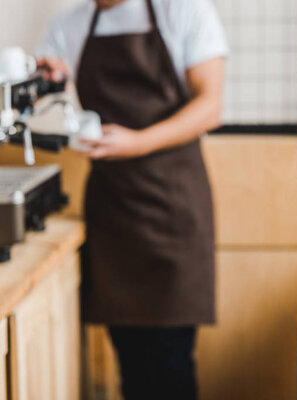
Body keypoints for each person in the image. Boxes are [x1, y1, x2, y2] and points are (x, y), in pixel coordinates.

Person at [36, 0, 228, 398]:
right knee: (132, 363)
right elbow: (40, 110)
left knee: (173, 361)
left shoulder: (184, 11)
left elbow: (210, 107)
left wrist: (138, 142)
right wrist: (50, 82)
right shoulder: (68, 26)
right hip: (113, 212)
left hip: (174, 209)